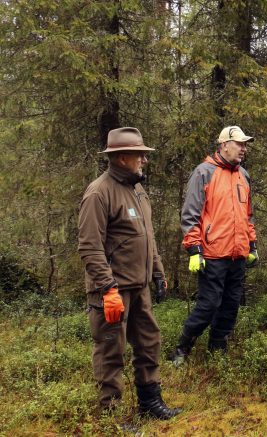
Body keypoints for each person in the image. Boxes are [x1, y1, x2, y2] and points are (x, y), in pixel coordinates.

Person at [78, 127, 180, 419]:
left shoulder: (137, 190)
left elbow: (148, 238)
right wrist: (107, 288)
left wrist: (158, 273)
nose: (144, 161)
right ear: (122, 157)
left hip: (139, 287)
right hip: (113, 291)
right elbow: (89, 247)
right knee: (111, 351)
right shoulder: (99, 193)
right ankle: (111, 416)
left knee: (150, 343)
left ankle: (150, 403)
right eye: (140, 155)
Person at [169, 126, 258, 362]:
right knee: (208, 306)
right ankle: (181, 349)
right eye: (239, 144)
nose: (243, 149)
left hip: (238, 254)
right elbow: (190, 215)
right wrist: (194, 250)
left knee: (230, 307)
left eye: (245, 144)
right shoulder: (204, 173)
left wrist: (252, 245)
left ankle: (217, 353)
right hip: (212, 255)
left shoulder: (244, 175)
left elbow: (247, 215)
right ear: (224, 144)